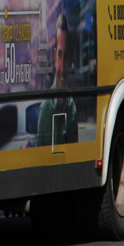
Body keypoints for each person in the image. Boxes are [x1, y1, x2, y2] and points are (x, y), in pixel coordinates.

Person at [36, 13, 78, 148]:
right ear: (54, 56)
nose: (63, 65)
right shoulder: (46, 108)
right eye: (60, 54)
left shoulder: (72, 108)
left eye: (66, 56)